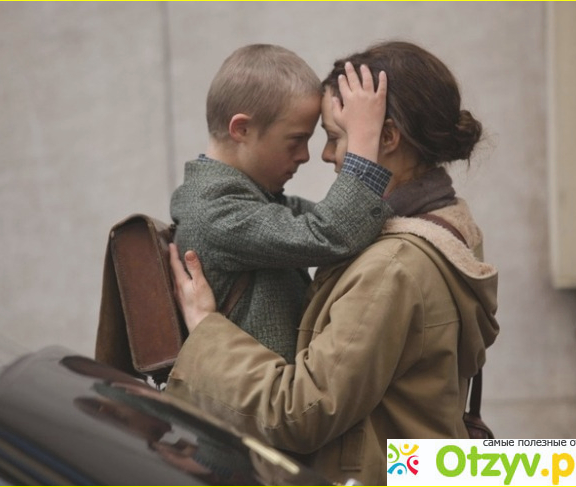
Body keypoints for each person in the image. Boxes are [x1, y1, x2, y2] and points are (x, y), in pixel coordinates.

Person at [165, 41, 500, 485]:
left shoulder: (393, 265)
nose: (321, 155)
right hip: (416, 472)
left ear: (386, 138)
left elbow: (301, 412)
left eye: (336, 137)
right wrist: (571, 467)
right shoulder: (442, 226)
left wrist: (206, 330)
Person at [170, 44, 393, 363]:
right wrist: (363, 140)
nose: (305, 155)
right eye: (296, 140)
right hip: (249, 394)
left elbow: (338, 220)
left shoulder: (247, 198)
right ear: (242, 129)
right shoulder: (215, 211)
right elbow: (330, 233)